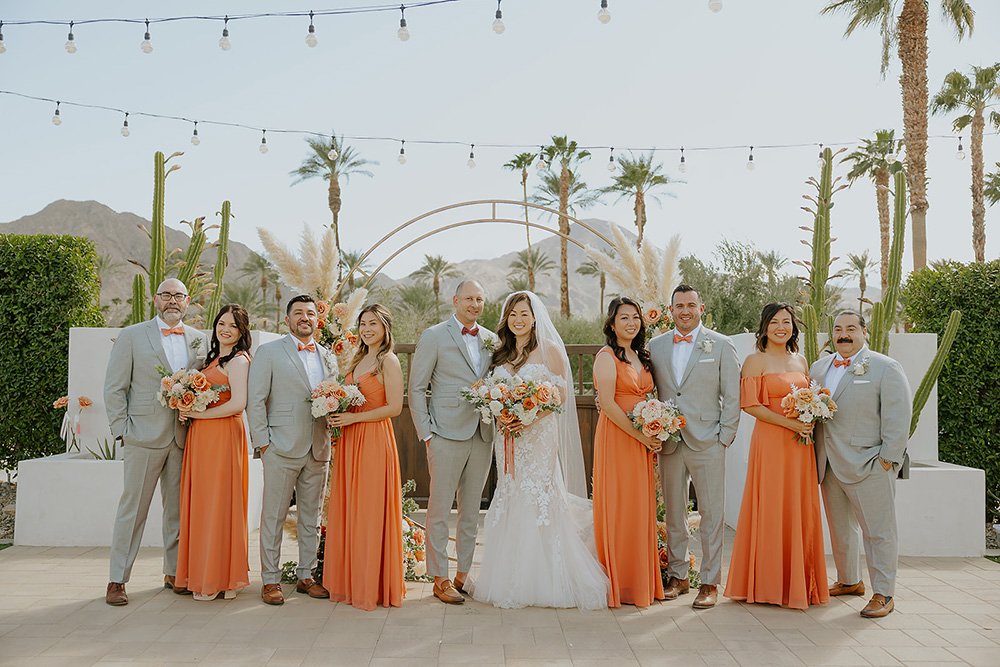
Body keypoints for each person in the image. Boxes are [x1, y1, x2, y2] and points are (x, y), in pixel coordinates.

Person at [468, 291, 609, 610]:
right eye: (513, 314)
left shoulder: (551, 351)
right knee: (510, 493)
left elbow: (560, 395)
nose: (518, 320)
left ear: (535, 318)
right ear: (507, 319)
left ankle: (547, 579)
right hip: (508, 440)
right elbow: (491, 394)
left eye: (524, 314)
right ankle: (509, 576)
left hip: (539, 436)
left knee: (538, 497)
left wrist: (529, 415)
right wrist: (503, 414)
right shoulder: (500, 355)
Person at [103, 278, 207, 606]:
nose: (172, 301)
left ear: (188, 301)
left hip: (183, 436)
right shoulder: (133, 335)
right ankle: (117, 579)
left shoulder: (198, 340)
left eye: (178, 296)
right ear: (155, 299)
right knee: (132, 510)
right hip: (142, 436)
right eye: (166, 295)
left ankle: (174, 571)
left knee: (177, 510)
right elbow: (114, 388)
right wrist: (123, 430)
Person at [724, 303, 829, 609]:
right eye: (775, 322)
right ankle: (767, 584)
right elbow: (751, 405)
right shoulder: (755, 361)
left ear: (794, 327)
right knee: (770, 505)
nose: (781, 327)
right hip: (770, 441)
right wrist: (791, 423)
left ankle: (797, 583)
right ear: (765, 327)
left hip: (800, 445)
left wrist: (810, 418)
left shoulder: (800, 360)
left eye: (787, 322)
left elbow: (810, 396)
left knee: (797, 506)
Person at [810, 311, 911, 618]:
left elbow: (898, 415)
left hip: (869, 464)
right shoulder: (819, 367)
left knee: (878, 531)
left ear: (864, 332)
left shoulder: (885, 368)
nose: (844, 334)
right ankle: (849, 580)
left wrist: (888, 460)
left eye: (851, 329)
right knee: (841, 529)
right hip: (828, 464)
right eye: (838, 329)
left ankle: (884, 593)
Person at [648, 284, 740, 610]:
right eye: (679, 306)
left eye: (690, 304)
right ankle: (678, 576)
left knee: (712, 514)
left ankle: (710, 581)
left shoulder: (721, 345)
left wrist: (725, 436)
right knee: (674, 513)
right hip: (670, 443)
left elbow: (732, 395)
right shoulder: (655, 347)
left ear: (701, 307)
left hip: (708, 443)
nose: (685, 310)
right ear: (670, 309)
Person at [408, 280, 495, 604]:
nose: (474, 304)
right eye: (469, 298)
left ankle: (463, 574)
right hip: (444, 433)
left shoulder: (491, 339)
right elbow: (416, 387)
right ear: (456, 300)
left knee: (471, 511)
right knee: (440, 509)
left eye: (480, 299)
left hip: (482, 433)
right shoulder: (434, 336)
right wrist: (426, 433)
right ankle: (440, 577)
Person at [247, 295, 338, 606]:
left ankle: (306, 574)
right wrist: (264, 444)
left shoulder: (328, 357)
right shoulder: (269, 352)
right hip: (280, 448)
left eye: (310, 313)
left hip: (318, 447)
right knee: (273, 516)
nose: (305, 318)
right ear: (287, 320)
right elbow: (255, 400)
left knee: (310, 517)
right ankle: (270, 580)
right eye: (298, 313)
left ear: (317, 320)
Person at [323, 304, 405, 611]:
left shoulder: (389, 361)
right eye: (363, 323)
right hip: (349, 441)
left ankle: (372, 585)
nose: (367, 328)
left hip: (372, 440)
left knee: (370, 512)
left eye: (373, 323)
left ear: (385, 327)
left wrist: (354, 420)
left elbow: (395, 408)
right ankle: (351, 580)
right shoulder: (358, 359)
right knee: (351, 510)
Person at [174, 304, 252, 601]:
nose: (226, 329)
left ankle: (222, 577)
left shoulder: (239, 361)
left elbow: (238, 403)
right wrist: (184, 409)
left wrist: (199, 415)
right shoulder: (211, 358)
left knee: (220, 502)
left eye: (233, 325)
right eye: (222, 323)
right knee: (203, 503)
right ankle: (204, 573)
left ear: (241, 331)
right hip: (201, 439)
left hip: (223, 436)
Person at [592, 296, 665, 608]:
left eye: (635, 317)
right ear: (612, 323)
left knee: (639, 508)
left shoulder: (642, 356)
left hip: (641, 442)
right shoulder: (606, 356)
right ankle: (620, 584)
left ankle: (640, 582)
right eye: (624, 318)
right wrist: (640, 434)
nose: (631, 323)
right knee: (620, 507)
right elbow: (607, 403)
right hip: (618, 438)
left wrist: (657, 430)